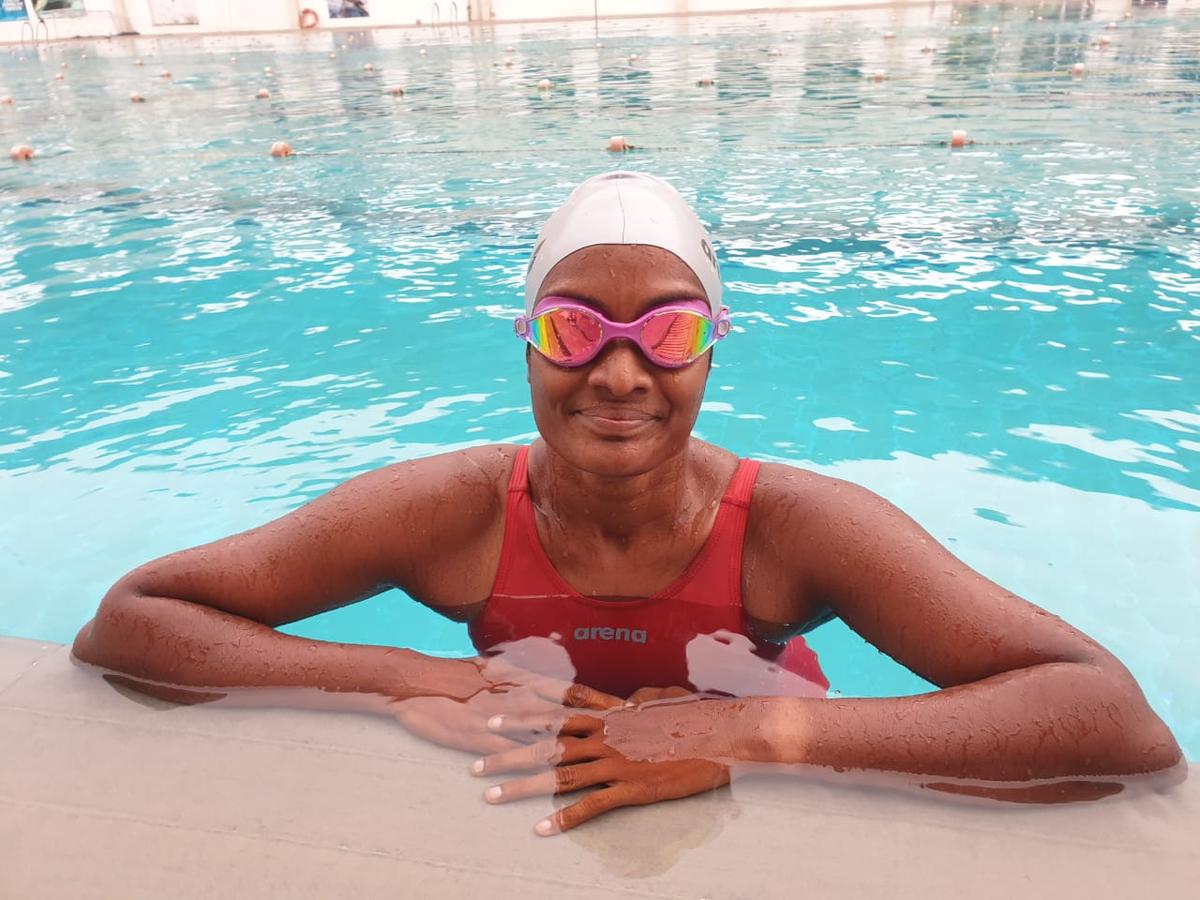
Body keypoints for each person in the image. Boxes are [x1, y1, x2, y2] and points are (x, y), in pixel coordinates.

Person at [72, 172, 1182, 837]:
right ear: (524, 340)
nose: (616, 374)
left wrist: (754, 732)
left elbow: (1114, 718)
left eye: (667, 331)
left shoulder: (798, 525)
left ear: (713, 348)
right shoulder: (453, 509)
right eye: (571, 328)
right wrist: (409, 678)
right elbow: (133, 618)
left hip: (756, 766)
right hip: (535, 780)